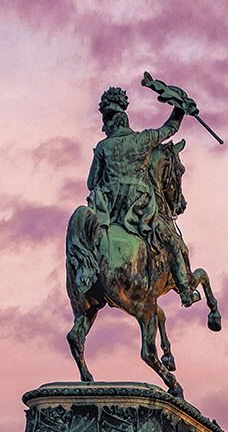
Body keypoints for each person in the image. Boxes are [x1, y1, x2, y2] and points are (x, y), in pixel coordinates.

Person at [86, 84, 200, 305]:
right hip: (139, 206)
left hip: (111, 210)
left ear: (111, 123)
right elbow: (170, 128)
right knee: (172, 242)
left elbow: (92, 183)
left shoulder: (102, 147)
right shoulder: (143, 139)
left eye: (105, 122)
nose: (104, 127)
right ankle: (186, 290)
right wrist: (180, 109)